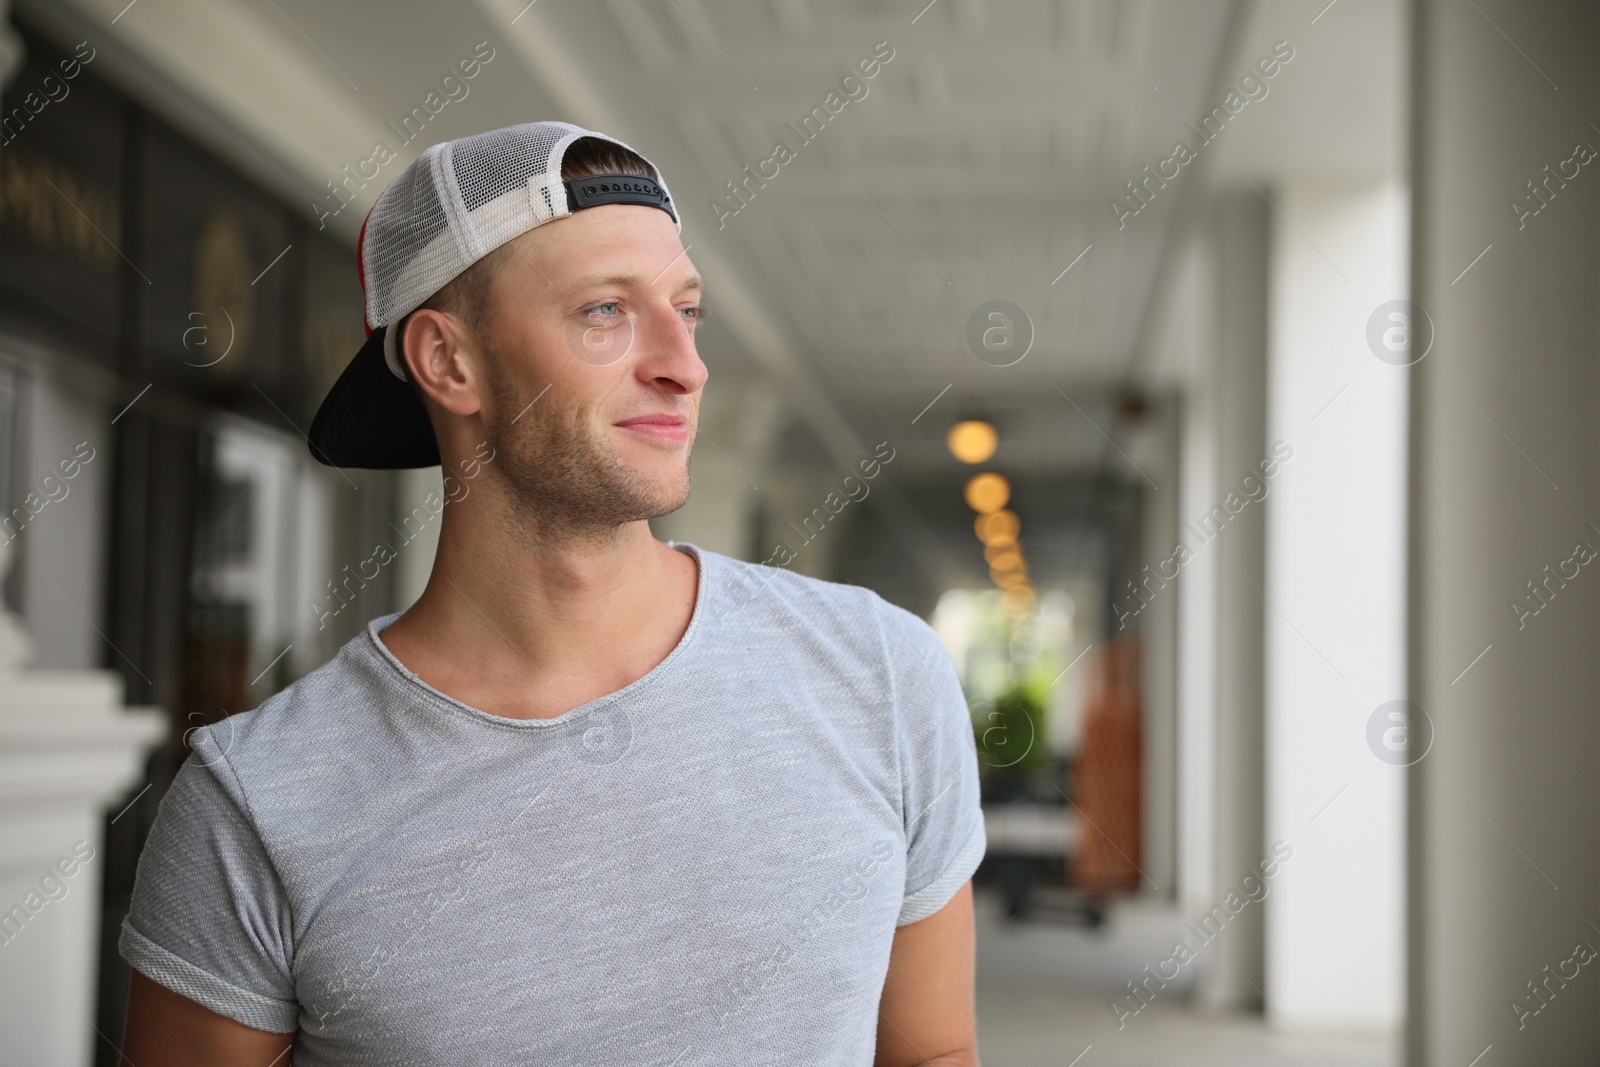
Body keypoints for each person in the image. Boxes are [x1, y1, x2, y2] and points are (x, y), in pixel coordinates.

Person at [118, 120, 986, 1066]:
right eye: (605, 311)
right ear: (449, 361)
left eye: (685, 310)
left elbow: (933, 1052)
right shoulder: (255, 803)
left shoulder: (880, 676)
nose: (684, 365)